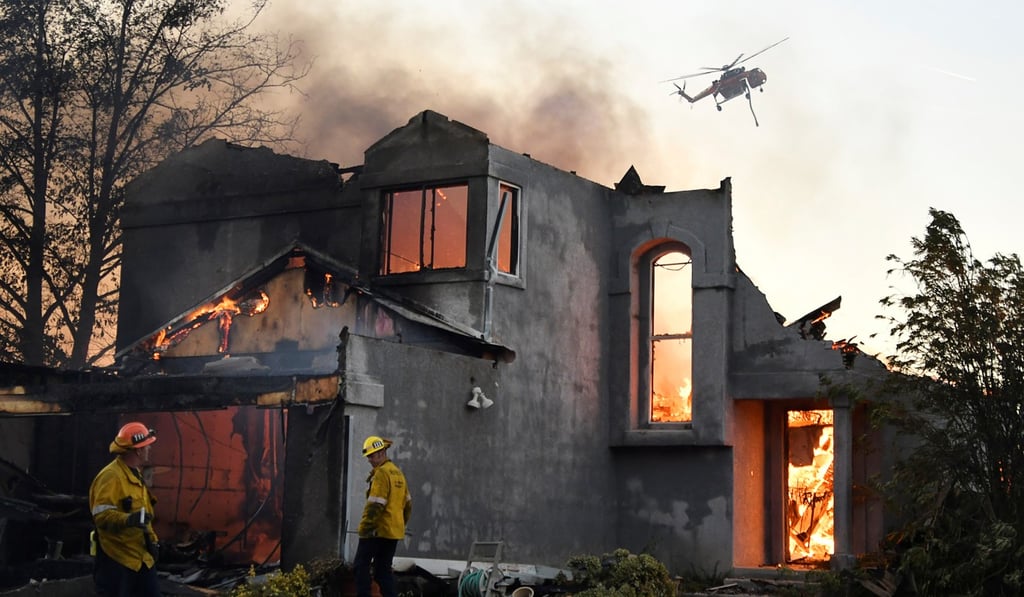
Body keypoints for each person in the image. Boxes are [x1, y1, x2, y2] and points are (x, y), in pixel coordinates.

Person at [89, 421, 161, 597]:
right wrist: (129, 520)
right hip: (117, 559)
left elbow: (145, 515)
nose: (149, 449)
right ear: (138, 450)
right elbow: (101, 516)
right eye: (146, 446)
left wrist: (153, 542)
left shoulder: (134, 475)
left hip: (140, 557)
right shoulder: (111, 476)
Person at [354, 435, 411, 597]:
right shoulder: (398, 474)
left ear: (381, 452)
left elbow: (375, 505)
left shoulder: (381, 474)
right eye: (368, 456)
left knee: (360, 567)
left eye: (371, 456)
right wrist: (400, 524)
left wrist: (365, 529)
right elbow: (408, 504)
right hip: (393, 533)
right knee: (382, 572)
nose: (369, 460)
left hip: (376, 531)